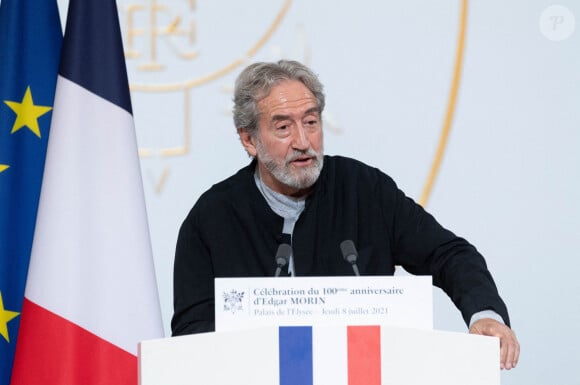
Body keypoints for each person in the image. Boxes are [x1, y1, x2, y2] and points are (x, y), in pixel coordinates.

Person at [172, 60, 520, 369]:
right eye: (283, 127)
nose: (303, 141)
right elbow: (192, 334)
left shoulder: (364, 190)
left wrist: (484, 314)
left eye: (311, 122)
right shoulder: (212, 217)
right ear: (249, 140)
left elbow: (449, 254)